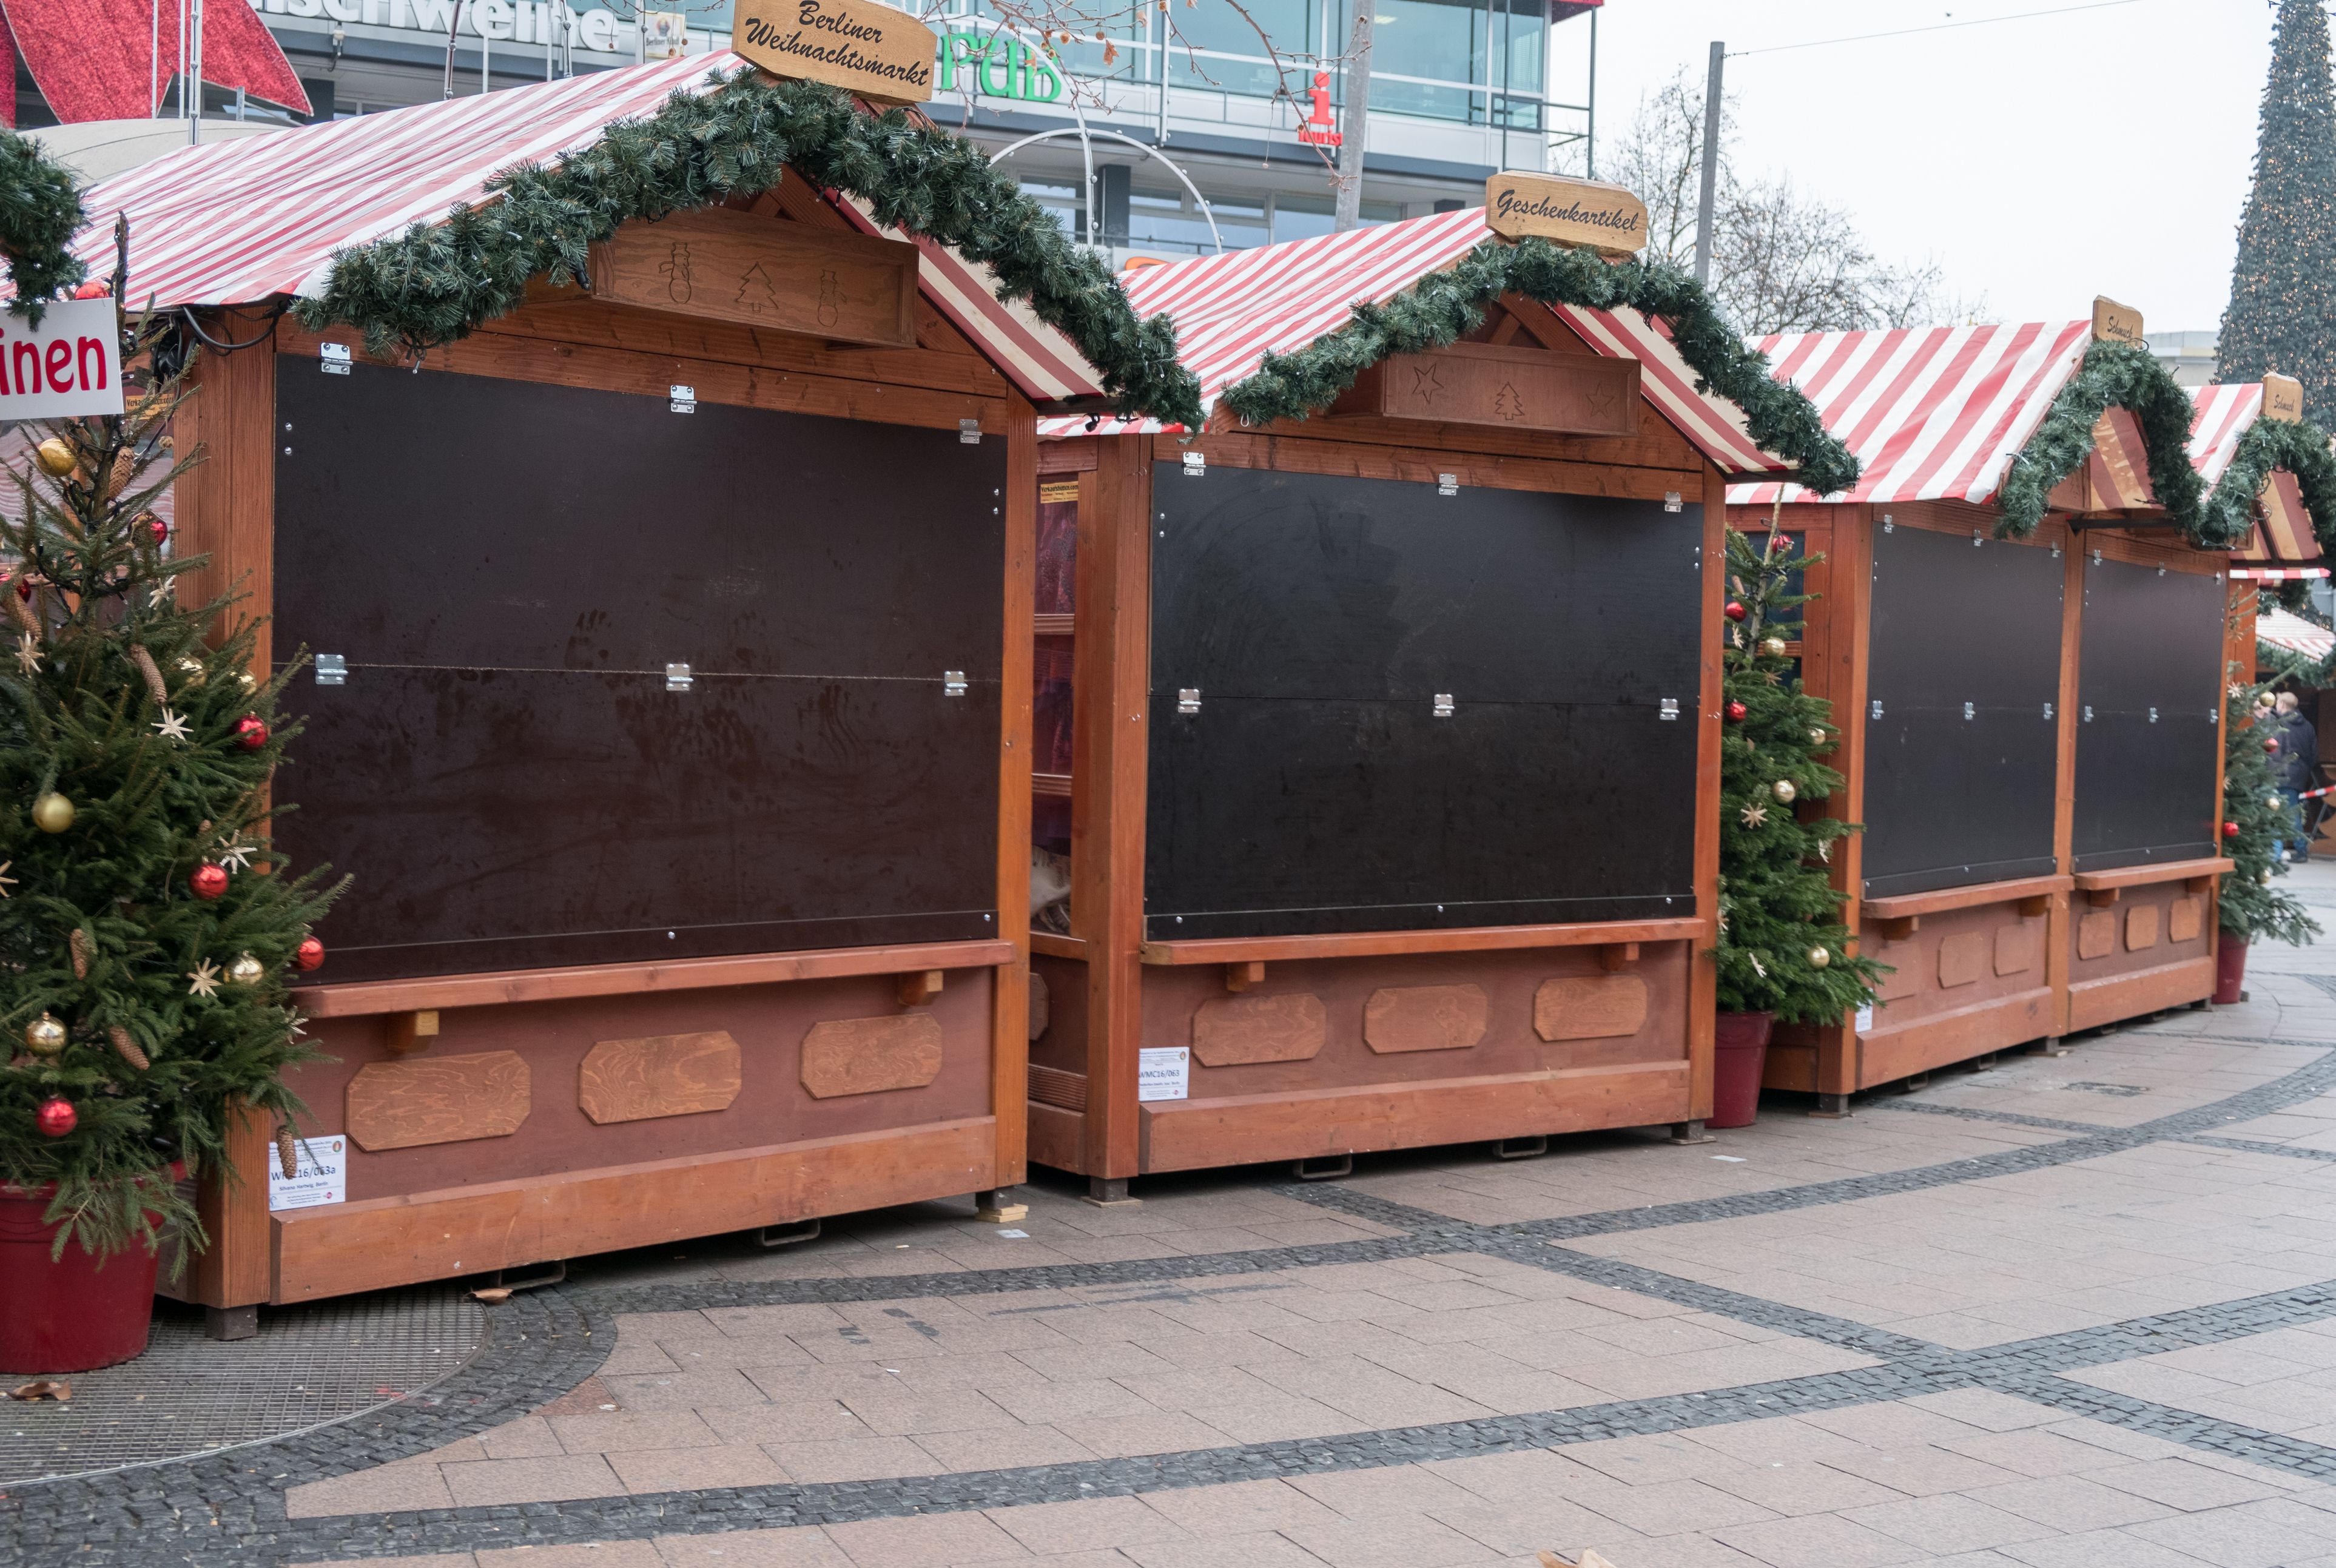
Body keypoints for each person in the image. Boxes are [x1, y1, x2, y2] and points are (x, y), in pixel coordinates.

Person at [2270, 691, 2319, 861]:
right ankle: (2301, 850)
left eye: (2277, 703)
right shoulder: (2308, 726)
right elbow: (2314, 756)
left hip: (2280, 774)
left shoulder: (2280, 725)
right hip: (2298, 776)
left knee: (2276, 813)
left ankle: (2275, 855)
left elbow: (2275, 751)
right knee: (2293, 814)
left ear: (2282, 705)